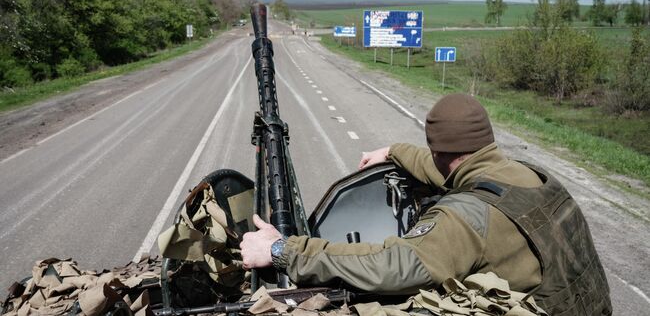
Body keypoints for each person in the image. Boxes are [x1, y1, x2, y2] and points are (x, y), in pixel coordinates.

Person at [240, 93, 612, 315]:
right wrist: (395, 152)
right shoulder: (530, 175)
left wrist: (281, 249)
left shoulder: (465, 217)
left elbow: (390, 266)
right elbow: (449, 171)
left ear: (440, 151)